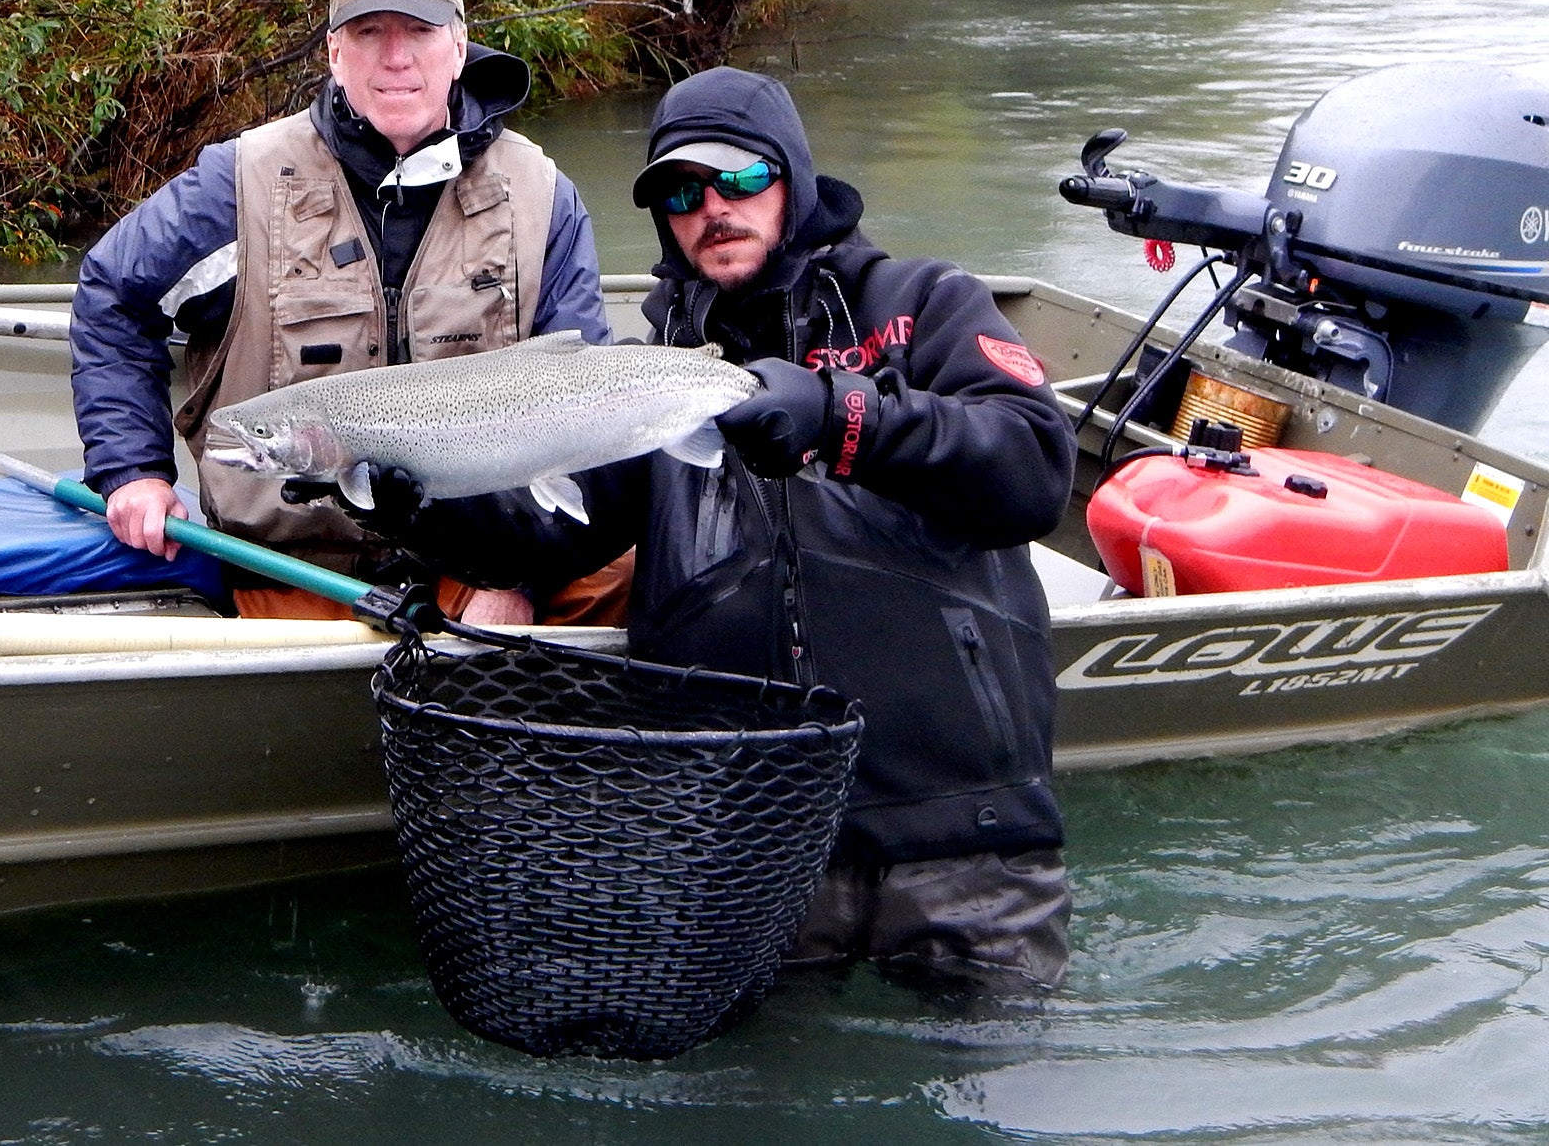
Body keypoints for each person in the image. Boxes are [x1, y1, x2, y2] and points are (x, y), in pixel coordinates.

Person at [361, 65, 1079, 989]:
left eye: (740, 179)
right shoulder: (648, 375)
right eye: (680, 191)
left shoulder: (924, 305)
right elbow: (539, 543)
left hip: (968, 844)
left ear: (795, 180)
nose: (712, 208)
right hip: (746, 846)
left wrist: (838, 412)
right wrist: (414, 500)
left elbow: (1032, 471)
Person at [69, 0, 616, 622]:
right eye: (368, 32)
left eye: (418, 31)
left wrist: (516, 585)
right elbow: (114, 298)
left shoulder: (540, 193)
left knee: (637, 572)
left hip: (484, 552)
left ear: (458, 45)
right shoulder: (238, 184)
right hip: (297, 568)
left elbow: (583, 399)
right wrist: (133, 473)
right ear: (333, 53)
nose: (395, 57)